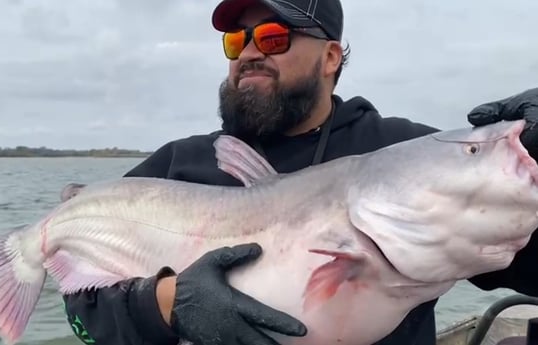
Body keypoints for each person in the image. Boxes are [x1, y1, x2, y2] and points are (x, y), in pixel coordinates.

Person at [62, 0, 538, 344]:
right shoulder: (174, 167)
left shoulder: (398, 150)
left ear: (331, 57)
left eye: (273, 37)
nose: (249, 53)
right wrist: (169, 302)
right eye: (236, 41)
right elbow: (83, 311)